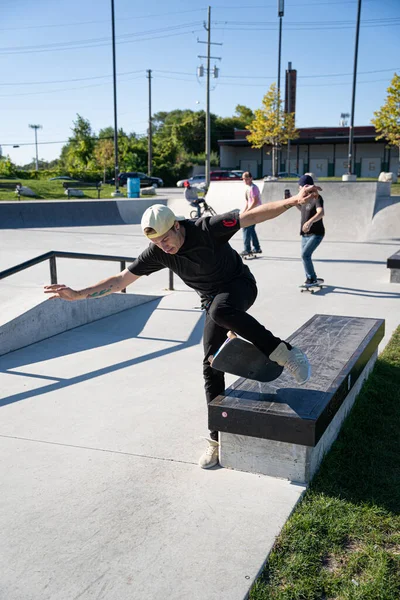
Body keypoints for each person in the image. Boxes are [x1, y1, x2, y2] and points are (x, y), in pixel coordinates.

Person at [44, 184, 320, 470]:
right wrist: (78, 294)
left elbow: (252, 216)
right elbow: (122, 279)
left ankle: (285, 352)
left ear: (177, 226)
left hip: (240, 286)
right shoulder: (157, 252)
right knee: (211, 362)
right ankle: (217, 437)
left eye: (167, 239)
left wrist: (294, 202)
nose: (165, 247)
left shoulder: (207, 228)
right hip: (215, 302)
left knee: (221, 309)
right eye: (158, 243)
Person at [296, 174, 325, 285]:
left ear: (306, 186)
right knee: (305, 256)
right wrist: (293, 204)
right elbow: (303, 210)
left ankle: (312, 278)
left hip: (316, 233)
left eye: (300, 186)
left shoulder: (317, 197)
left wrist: (309, 222)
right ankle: (310, 277)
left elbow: (321, 213)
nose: (299, 188)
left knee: (305, 255)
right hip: (304, 234)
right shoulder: (303, 199)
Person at [240, 171, 262, 256]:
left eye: (246, 179)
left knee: (246, 227)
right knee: (251, 229)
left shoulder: (253, 188)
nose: (245, 181)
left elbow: (255, 201)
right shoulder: (248, 188)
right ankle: (257, 248)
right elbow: (247, 202)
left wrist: (248, 211)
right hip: (251, 211)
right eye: (243, 179)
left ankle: (247, 249)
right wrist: (244, 211)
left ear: (251, 178)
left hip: (255, 211)